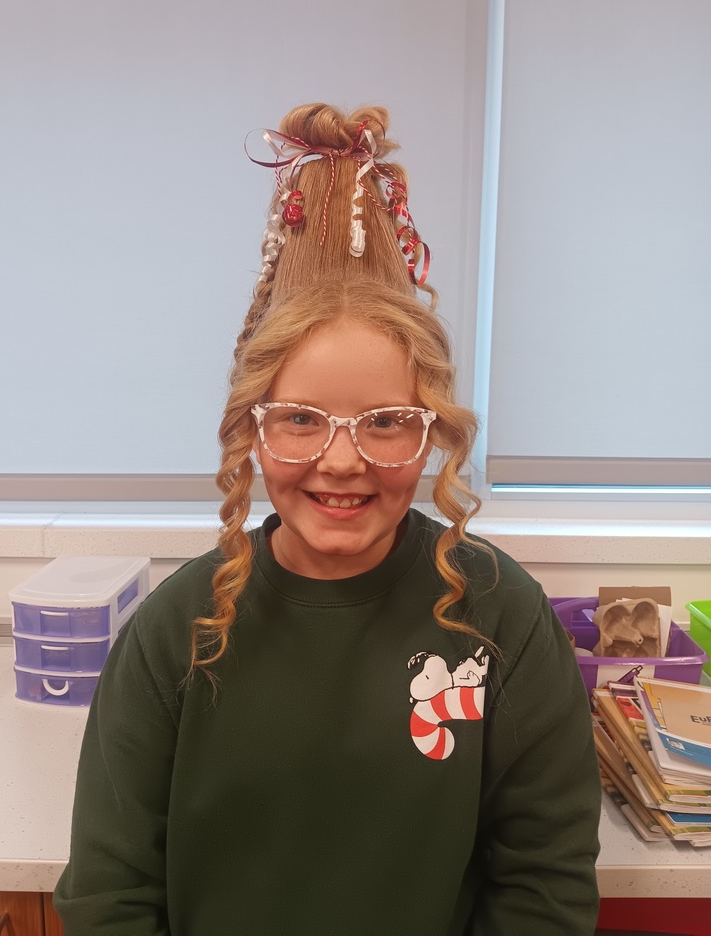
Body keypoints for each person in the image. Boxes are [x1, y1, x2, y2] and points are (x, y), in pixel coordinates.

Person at [54, 104, 601, 935]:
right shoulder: (175, 632)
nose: (341, 461)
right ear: (253, 429)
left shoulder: (502, 618)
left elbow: (545, 884)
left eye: (386, 422)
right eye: (302, 419)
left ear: (431, 434)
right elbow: (109, 894)